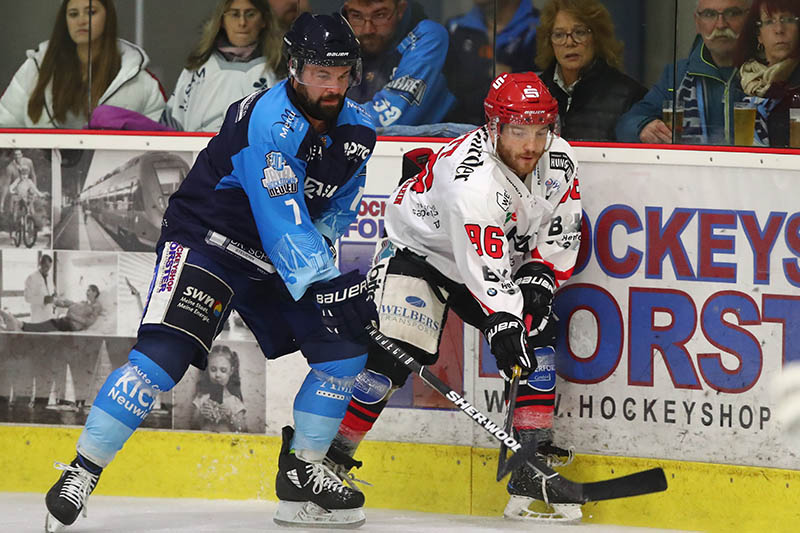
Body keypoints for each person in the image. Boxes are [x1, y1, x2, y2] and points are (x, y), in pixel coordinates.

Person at [43, 13, 377, 531]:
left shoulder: (359, 129)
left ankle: (302, 475)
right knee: (162, 359)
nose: (331, 86)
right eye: (319, 74)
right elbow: (282, 218)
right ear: (294, 68)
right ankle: (81, 472)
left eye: (341, 74)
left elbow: (334, 210)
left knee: (346, 346)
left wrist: (331, 281)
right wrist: (329, 282)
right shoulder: (270, 122)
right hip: (209, 242)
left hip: (274, 257)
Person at [328, 72, 584, 522]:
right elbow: (482, 268)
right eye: (519, 131)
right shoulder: (472, 181)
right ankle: (333, 460)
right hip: (421, 251)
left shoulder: (560, 160)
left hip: (486, 257)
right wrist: (503, 318)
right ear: (494, 129)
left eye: (541, 131)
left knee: (539, 329)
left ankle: (531, 460)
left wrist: (540, 280)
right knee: (394, 357)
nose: (532, 144)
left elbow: (559, 228)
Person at [0, 0, 165, 128]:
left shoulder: (138, 79)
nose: (81, 21)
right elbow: (5, 123)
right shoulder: (35, 69)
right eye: (73, 14)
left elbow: (159, 143)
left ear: (108, 17)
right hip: (42, 170)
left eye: (91, 12)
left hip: (115, 170)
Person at [616, 0, 750, 144]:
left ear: (749, 19)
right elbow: (626, 125)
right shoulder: (677, 75)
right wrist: (643, 127)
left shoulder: (766, 74)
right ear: (697, 22)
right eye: (709, 14)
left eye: (732, 13)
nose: (721, 24)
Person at [159, 0, 282, 132]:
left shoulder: (279, 71)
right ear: (222, 21)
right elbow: (170, 129)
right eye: (234, 14)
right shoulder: (198, 69)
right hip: (199, 150)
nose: (242, 23)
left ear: (264, 20)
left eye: (250, 14)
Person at [535, 0, 646, 142]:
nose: (569, 42)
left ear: (597, 37)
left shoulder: (629, 96)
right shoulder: (536, 92)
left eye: (579, 32)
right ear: (549, 42)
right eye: (559, 35)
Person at [341, 0, 457, 128]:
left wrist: (329, 119)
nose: (368, 30)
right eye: (356, 15)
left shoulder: (428, 37)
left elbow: (388, 120)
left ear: (401, 9)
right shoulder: (340, 37)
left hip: (435, 146)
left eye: (380, 15)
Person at [444, 0, 541, 125]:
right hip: (459, 132)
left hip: (520, 130)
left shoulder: (542, 28)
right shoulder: (455, 27)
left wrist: (515, 75)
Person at [734, 0, 800, 147]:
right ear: (759, 34)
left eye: (788, 20)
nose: (779, 29)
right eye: (770, 21)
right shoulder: (740, 81)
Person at [191, 345, 247, 433]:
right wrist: (201, 414)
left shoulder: (234, 401)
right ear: (207, 370)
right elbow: (192, 426)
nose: (217, 375)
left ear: (231, 371)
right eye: (213, 369)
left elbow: (243, 429)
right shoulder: (201, 398)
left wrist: (230, 416)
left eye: (223, 370)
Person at [2, 150, 37, 216]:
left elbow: (33, 175)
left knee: (31, 208)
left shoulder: (28, 162)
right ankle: (14, 220)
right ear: (13, 156)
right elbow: (6, 185)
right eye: (16, 155)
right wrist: (2, 202)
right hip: (17, 189)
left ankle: (33, 221)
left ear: (22, 155)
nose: (17, 156)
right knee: (12, 208)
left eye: (19, 154)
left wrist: (33, 189)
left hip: (27, 187)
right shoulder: (10, 168)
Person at [25, 254, 55, 323]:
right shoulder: (32, 278)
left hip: (49, 315)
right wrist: (43, 299)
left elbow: (51, 290)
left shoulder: (49, 277)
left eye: (49, 267)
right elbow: (27, 298)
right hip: (37, 316)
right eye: (46, 267)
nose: (48, 270)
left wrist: (54, 294)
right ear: (40, 264)